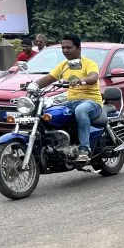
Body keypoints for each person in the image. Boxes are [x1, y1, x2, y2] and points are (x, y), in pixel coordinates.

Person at [34, 34, 103, 165]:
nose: (65, 50)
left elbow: (93, 77)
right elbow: (48, 79)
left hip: (92, 102)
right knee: (49, 112)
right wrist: (33, 85)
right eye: (63, 48)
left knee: (81, 110)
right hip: (71, 102)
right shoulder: (64, 66)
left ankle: (84, 151)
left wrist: (82, 80)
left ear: (79, 48)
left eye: (69, 47)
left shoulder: (89, 63)